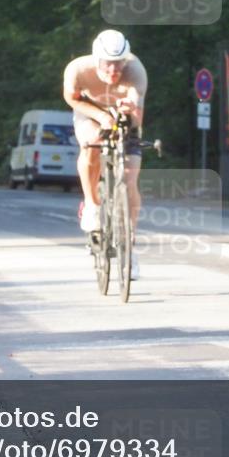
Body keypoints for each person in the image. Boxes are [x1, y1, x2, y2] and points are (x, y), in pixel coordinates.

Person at [63, 29, 147, 280]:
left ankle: (129, 245)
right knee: (91, 143)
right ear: (96, 59)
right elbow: (71, 98)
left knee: (130, 179)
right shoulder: (78, 70)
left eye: (119, 63)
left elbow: (137, 118)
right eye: (108, 64)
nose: (113, 70)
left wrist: (129, 109)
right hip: (90, 113)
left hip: (123, 116)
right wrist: (101, 116)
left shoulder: (136, 71)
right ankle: (91, 203)